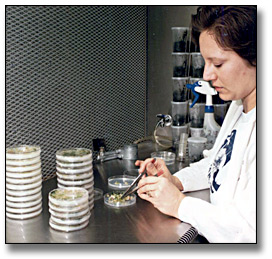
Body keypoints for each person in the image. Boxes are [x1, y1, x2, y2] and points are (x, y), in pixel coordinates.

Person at [136, 6, 256, 243]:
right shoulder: (238, 107)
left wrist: (179, 204)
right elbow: (216, 164)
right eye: (205, 62)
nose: (207, 75)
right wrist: (175, 181)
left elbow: (249, 232)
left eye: (218, 64)